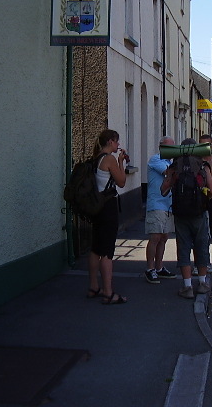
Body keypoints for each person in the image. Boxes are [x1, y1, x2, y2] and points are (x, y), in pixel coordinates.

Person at [161, 139, 212, 299]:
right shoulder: (202, 167)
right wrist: (203, 195)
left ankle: (187, 287)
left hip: (180, 214)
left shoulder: (175, 167)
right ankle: (203, 283)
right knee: (201, 246)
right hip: (199, 214)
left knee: (183, 247)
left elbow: (164, 189)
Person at [87, 129, 128, 305]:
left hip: (96, 206)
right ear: (111, 141)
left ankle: (93, 286)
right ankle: (108, 292)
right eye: (117, 142)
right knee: (107, 252)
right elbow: (121, 181)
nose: (118, 145)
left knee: (96, 249)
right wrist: (120, 162)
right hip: (107, 207)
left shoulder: (96, 158)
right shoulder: (109, 159)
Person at [144, 136, 177, 284]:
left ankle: (159, 267)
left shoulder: (171, 162)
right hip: (156, 203)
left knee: (164, 238)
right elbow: (169, 174)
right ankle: (150, 268)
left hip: (167, 205)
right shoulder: (155, 160)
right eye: (169, 147)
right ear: (162, 147)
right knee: (155, 237)